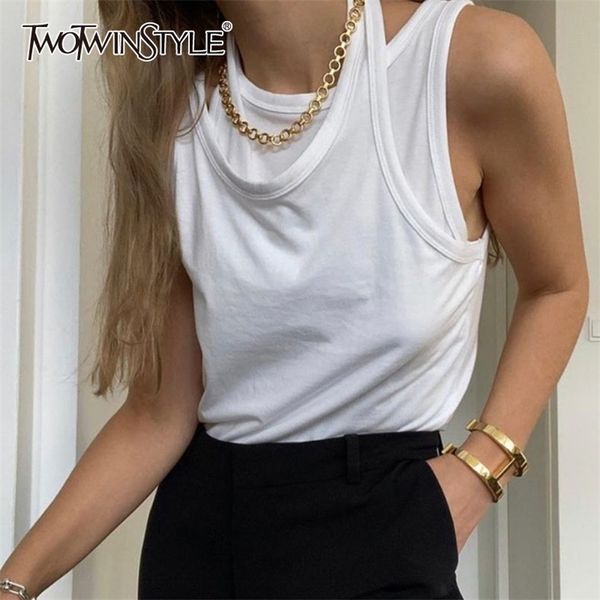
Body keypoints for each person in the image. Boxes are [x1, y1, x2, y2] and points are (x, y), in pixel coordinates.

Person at [0, 0, 589, 599]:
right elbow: (160, 414)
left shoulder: (470, 61)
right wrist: (14, 585)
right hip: (203, 535)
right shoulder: (178, 108)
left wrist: (481, 471)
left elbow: (558, 286)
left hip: (382, 522)